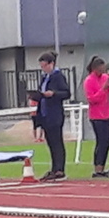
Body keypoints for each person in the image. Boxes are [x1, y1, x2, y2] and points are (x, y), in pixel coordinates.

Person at [34, 52, 71, 181]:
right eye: (41, 66)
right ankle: (54, 168)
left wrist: (53, 93)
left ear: (51, 64)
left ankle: (60, 169)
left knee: (57, 142)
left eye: (45, 66)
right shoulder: (45, 77)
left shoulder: (58, 76)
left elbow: (66, 93)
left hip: (55, 114)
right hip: (45, 113)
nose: (43, 69)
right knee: (50, 142)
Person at [84, 56, 109, 178]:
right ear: (95, 68)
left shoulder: (105, 77)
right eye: (100, 69)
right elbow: (92, 99)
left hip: (106, 114)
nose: (102, 71)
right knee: (101, 141)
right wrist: (103, 89)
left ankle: (101, 167)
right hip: (96, 116)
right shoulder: (89, 80)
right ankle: (97, 168)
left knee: (107, 142)